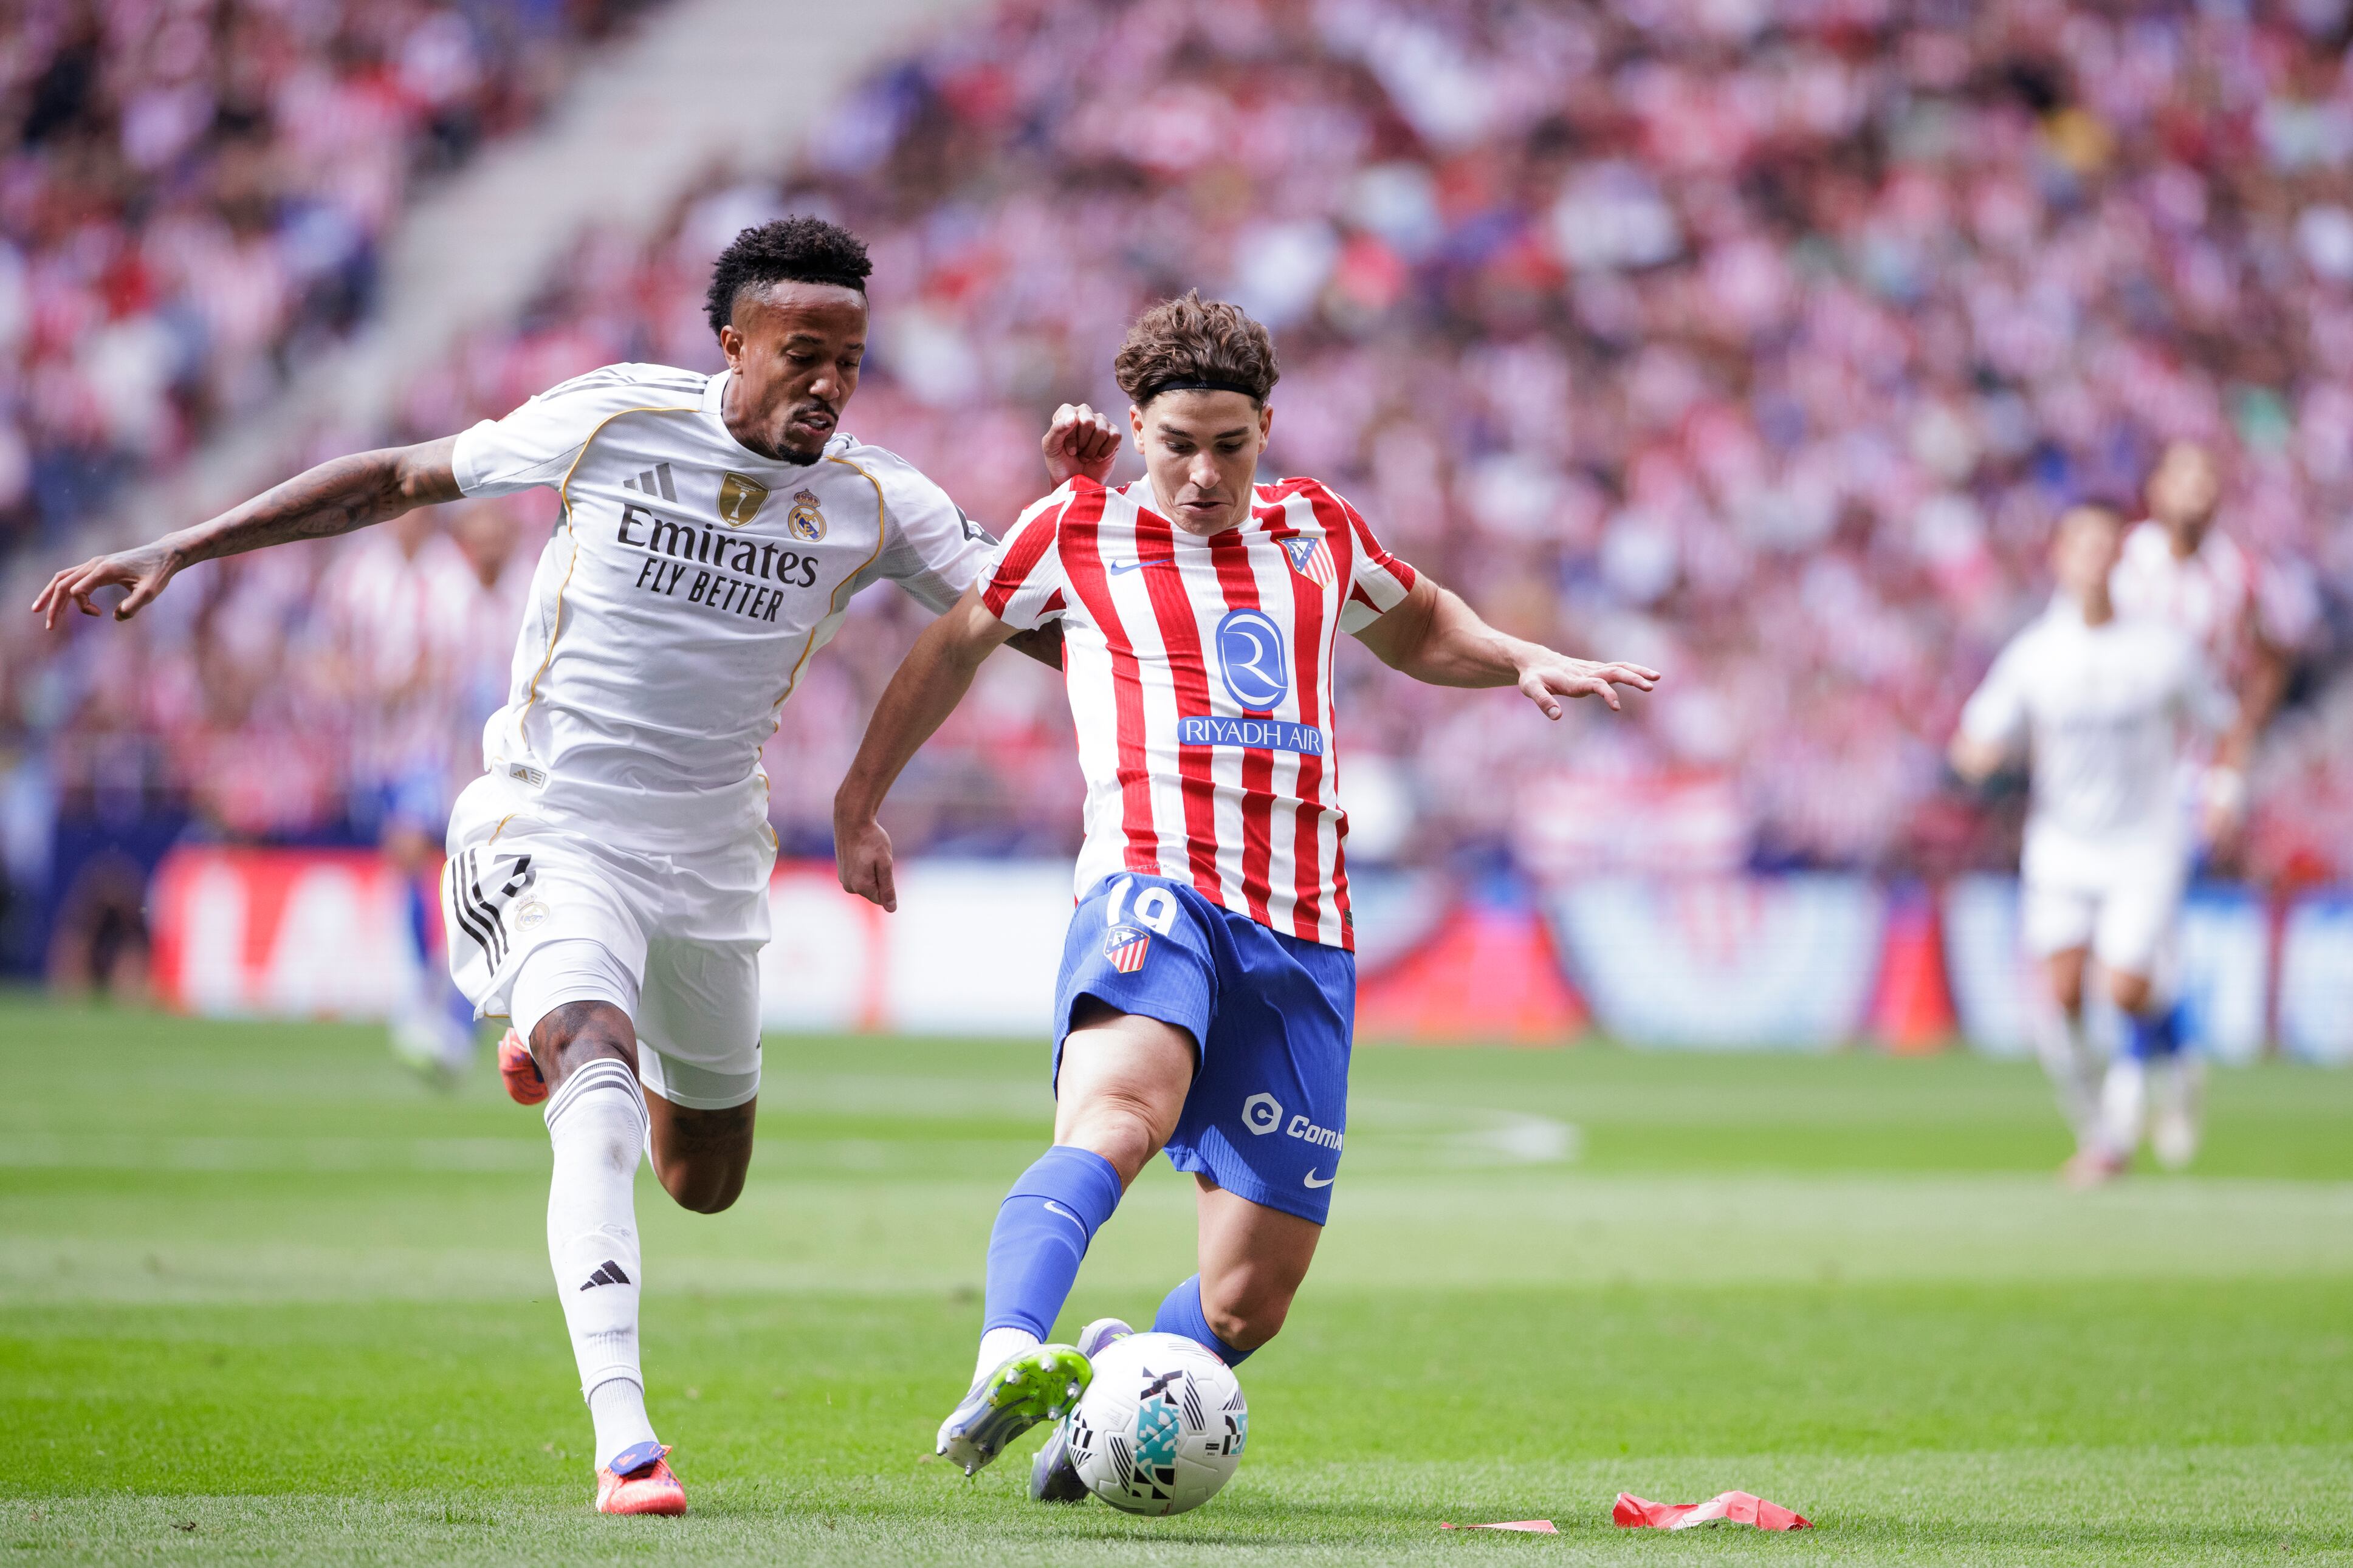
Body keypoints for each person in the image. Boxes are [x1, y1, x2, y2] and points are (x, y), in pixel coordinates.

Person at [32, 216, 1117, 1517]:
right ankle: (627, 1441)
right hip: (552, 822)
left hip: (715, 855)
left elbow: (1045, 630)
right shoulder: (614, 420)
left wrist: (1095, 522)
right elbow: (395, 479)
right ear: (735, 344)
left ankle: (547, 1037)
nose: (828, 383)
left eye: (851, 360)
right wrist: (184, 543)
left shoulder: (879, 499)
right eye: (802, 354)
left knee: (703, 1181)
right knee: (598, 1076)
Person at [828, 292, 1658, 1498]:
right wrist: (859, 800)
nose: (1204, 473)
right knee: (1120, 1114)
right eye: (1178, 447)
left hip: (1304, 928)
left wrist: (1517, 654)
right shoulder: (1076, 530)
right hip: (1153, 884)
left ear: (1268, 426)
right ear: (1136, 429)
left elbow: (1417, 621)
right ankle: (1009, 1350)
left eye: (1230, 444)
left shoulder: (1317, 527)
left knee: (1246, 1299)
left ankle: (1107, 1392)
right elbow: (951, 643)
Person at [1950, 502, 2233, 1185]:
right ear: (2060, 556)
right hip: (2061, 845)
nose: (2095, 559)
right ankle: (2100, 1133)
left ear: (2121, 560)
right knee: (2063, 991)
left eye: (2107, 546)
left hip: (2143, 840)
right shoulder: (2036, 653)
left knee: (2124, 980)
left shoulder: (2161, 650)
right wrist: (1977, 757)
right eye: (2081, 545)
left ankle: (2173, 1048)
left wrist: (2223, 791)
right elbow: (1975, 736)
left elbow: (2221, 720)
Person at [314, 504, 481, 1080]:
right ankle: (442, 989)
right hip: (372, 755)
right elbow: (324, 650)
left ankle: (429, 993)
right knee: (406, 864)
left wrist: (401, 687)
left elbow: (454, 667)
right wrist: (350, 682)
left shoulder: (450, 581)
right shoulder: (360, 572)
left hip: (435, 749)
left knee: (416, 848)